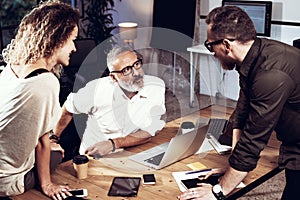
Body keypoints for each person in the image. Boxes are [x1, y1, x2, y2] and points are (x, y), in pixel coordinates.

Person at [178, 5, 300, 200]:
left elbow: (253, 140)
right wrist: (233, 166)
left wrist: (218, 191)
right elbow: (242, 113)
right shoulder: (255, 55)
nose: (212, 53)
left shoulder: (270, 74)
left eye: (210, 46)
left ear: (226, 45)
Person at [0, 1, 80, 199]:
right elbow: (42, 142)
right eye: (72, 40)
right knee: (57, 151)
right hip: (7, 181)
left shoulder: (12, 67)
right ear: (57, 39)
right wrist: (47, 184)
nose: (74, 48)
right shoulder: (45, 82)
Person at [52, 46, 166, 158]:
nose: (136, 73)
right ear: (113, 77)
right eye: (126, 70)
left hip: (133, 152)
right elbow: (67, 109)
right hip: (94, 157)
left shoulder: (156, 87)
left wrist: (113, 143)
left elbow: (148, 132)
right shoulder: (95, 91)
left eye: (136, 64)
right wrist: (54, 138)